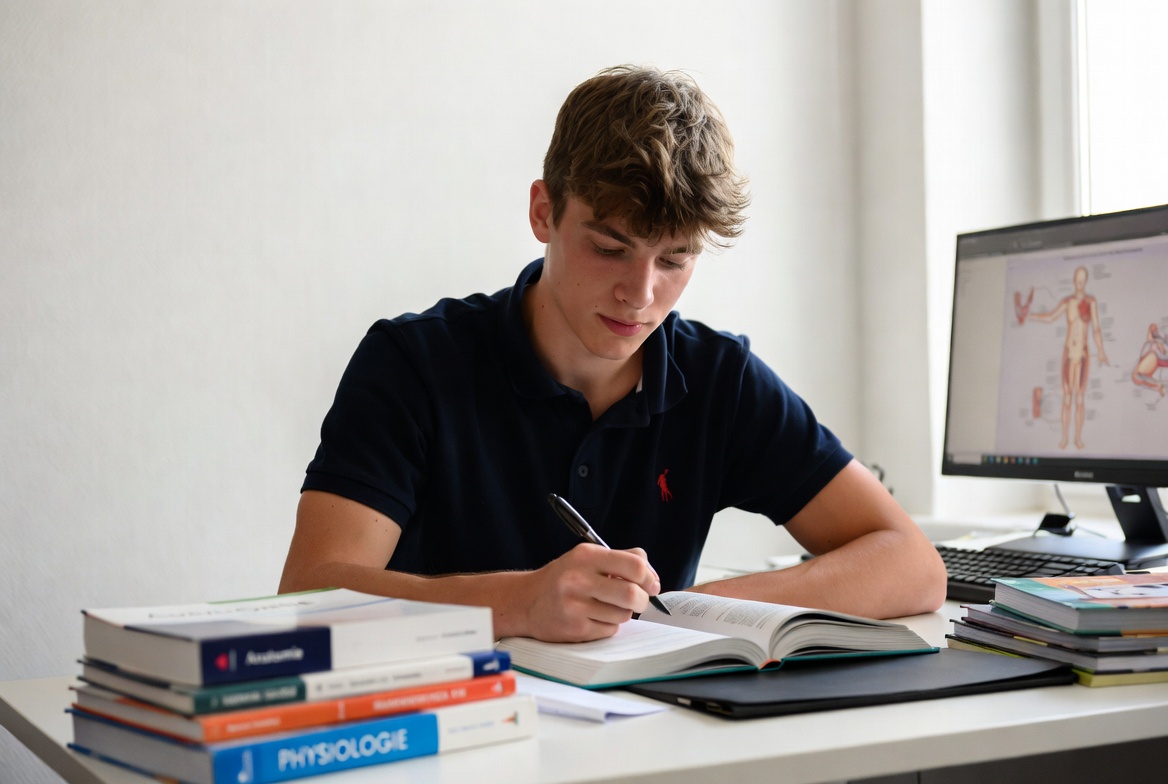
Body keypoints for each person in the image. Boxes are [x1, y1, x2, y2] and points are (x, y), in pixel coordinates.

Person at [278, 65, 947, 642]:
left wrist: (688, 612)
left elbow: (912, 564)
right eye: (609, 248)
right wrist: (517, 603)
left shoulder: (718, 379)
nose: (641, 295)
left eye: (676, 259)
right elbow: (309, 596)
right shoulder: (414, 363)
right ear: (544, 212)